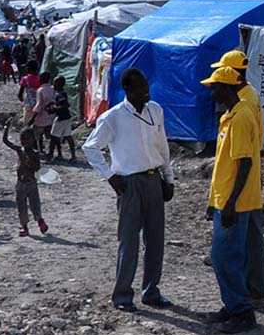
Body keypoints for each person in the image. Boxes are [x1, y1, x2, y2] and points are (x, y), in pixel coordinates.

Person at [83, 68, 176, 313]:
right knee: (129, 241)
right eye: (141, 88)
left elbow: (162, 147)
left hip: (154, 179)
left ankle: (151, 291)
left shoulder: (155, 110)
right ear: (127, 89)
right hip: (129, 183)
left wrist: (169, 179)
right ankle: (123, 295)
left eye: (147, 86)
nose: (146, 91)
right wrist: (110, 177)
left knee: (156, 240)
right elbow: (90, 148)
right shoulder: (113, 117)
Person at [202, 66, 263, 333]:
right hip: (225, 199)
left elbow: (245, 164)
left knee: (225, 257)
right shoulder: (230, 115)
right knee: (226, 255)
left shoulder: (240, 118)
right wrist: (213, 200)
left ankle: (241, 311)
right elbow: (224, 166)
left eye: (215, 87)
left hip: (235, 203)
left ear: (227, 88)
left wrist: (229, 204)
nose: (211, 91)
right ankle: (233, 304)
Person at [3, 123, 48, 237]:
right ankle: (24, 226)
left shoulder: (35, 153)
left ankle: (40, 221)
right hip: (20, 183)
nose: (24, 141)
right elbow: (6, 141)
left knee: (35, 204)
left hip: (31, 183)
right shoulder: (20, 150)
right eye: (22, 139)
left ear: (33, 140)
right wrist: (6, 128)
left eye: (27, 139)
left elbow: (37, 168)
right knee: (21, 206)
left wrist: (30, 163)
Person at [46, 75, 76, 161]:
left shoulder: (60, 94)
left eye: (55, 83)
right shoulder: (62, 93)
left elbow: (65, 105)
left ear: (59, 84)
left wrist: (53, 109)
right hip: (66, 117)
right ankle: (72, 156)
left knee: (53, 136)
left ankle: (50, 155)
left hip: (61, 117)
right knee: (68, 136)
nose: (53, 85)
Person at [32, 71, 56, 154]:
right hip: (51, 115)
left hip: (41, 117)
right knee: (50, 135)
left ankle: (40, 150)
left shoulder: (40, 90)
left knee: (38, 135)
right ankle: (51, 151)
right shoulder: (53, 89)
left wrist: (33, 117)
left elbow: (39, 105)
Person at [18, 61, 40, 126]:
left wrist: (21, 98)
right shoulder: (40, 78)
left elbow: (20, 93)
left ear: (28, 69)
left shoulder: (25, 79)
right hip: (39, 103)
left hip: (29, 103)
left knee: (27, 122)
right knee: (37, 122)